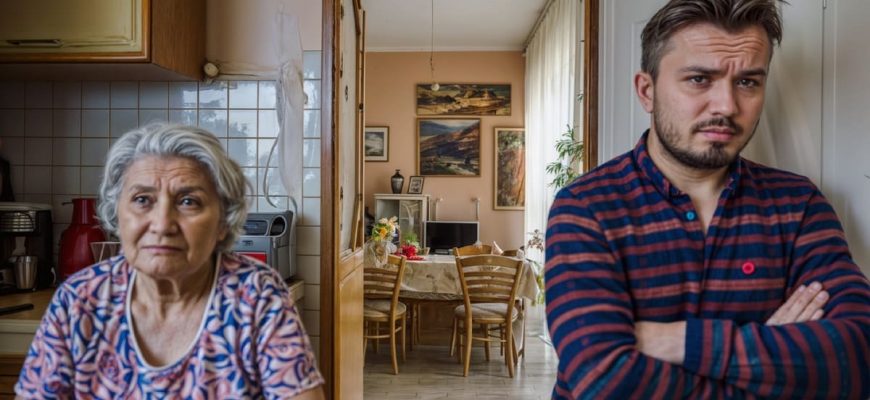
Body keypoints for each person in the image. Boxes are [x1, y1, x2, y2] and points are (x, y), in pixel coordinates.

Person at [545, 0, 870, 398]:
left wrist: (680, 341)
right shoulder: (586, 208)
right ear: (647, 91)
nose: (726, 106)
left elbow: (858, 357)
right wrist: (771, 363)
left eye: (747, 82)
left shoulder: (798, 205)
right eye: (699, 79)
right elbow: (605, 381)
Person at [15, 124, 325, 399]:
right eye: (142, 200)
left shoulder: (256, 297)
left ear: (223, 221)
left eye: (188, 201)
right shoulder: (80, 301)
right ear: (117, 215)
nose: (162, 224)